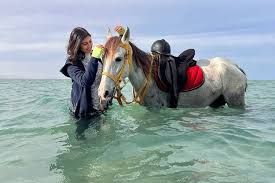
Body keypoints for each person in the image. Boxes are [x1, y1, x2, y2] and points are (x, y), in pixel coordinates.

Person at [60, 27, 104, 119]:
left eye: (90, 41)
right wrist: (95, 57)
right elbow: (85, 82)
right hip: (82, 113)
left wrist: (121, 36)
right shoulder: (71, 65)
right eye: (85, 43)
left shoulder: (96, 57)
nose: (90, 45)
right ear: (77, 45)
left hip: (100, 108)